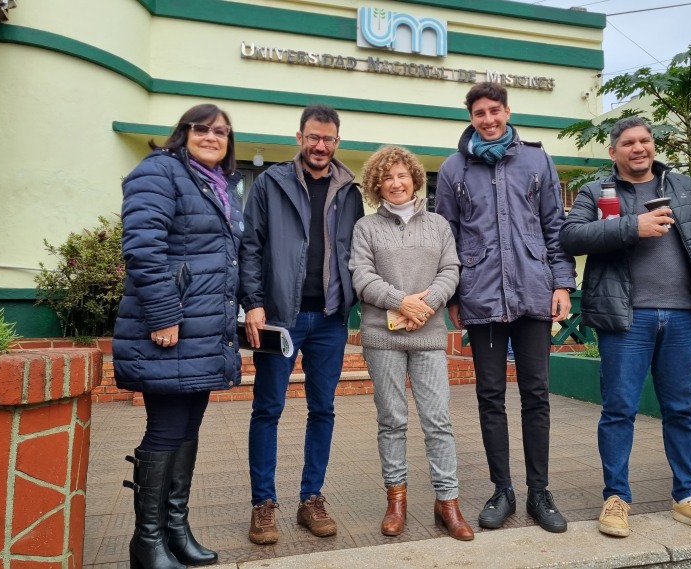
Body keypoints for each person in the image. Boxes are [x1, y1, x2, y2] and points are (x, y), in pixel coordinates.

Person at [559, 116, 691, 538]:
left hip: (682, 316)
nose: (638, 148)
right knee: (619, 409)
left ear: (653, 145)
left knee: (681, 410)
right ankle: (617, 498)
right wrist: (631, 226)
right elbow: (571, 236)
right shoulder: (595, 191)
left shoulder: (684, 188)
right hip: (626, 317)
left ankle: (687, 497)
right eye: (627, 142)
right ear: (613, 152)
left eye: (644, 140)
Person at [435, 82, 576, 534]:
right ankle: (503, 490)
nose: (488, 119)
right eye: (480, 113)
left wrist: (563, 284)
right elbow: (447, 239)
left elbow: (556, 227)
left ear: (507, 111)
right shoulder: (453, 168)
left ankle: (539, 491)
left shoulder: (537, 160)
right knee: (489, 396)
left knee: (536, 395)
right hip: (481, 297)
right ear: (471, 117)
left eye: (495, 111)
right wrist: (455, 295)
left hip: (534, 293)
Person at [113, 103, 243, 569]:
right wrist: (165, 315)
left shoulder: (219, 186)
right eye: (203, 128)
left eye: (222, 132)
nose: (212, 136)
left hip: (206, 331)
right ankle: (146, 542)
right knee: (166, 428)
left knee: (188, 427)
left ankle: (174, 529)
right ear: (183, 132)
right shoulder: (160, 172)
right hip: (171, 327)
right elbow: (142, 247)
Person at [239, 105, 364, 546]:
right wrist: (252, 302)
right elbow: (250, 245)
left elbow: (358, 249)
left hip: (330, 319)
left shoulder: (350, 190)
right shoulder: (271, 183)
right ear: (299, 137)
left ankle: (311, 498)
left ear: (336, 142)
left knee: (323, 410)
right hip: (279, 319)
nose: (320, 146)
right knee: (268, 409)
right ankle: (263, 504)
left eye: (328, 139)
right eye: (313, 137)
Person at [350, 146, 473, 541]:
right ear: (377, 184)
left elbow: (451, 269)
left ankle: (448, 502)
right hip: (382, 338)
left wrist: (426, 304)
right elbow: (361, 276)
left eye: (403, 175)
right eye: (388, 177)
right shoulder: (365, 228)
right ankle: (396, 501)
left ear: (415, 179)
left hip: (428, 335)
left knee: (438, 421)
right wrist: (399, 302)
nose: (396, 183)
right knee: (392, 421)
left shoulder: (438, 225)